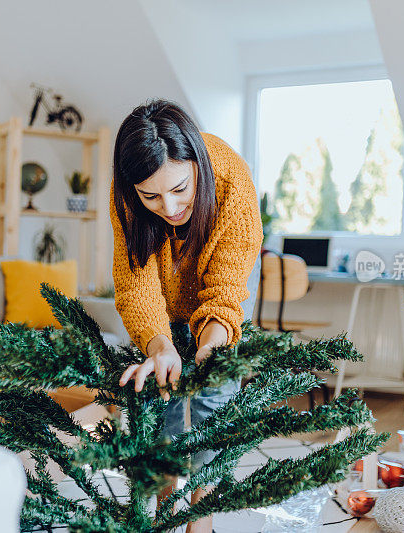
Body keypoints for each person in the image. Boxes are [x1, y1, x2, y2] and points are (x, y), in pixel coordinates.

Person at [111, 99, 262, 533]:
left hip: (218, 306)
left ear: (196, 162)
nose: (170, 206)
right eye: (151, 196)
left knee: (212, 406)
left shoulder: (233, 182)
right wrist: (158, 344)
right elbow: (136, 282)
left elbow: (227, 290)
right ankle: (163, 516)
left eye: (180, 188)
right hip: (163, 303)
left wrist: (211, 347)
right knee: (162, 416)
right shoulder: (127, 195)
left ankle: (203, 524)